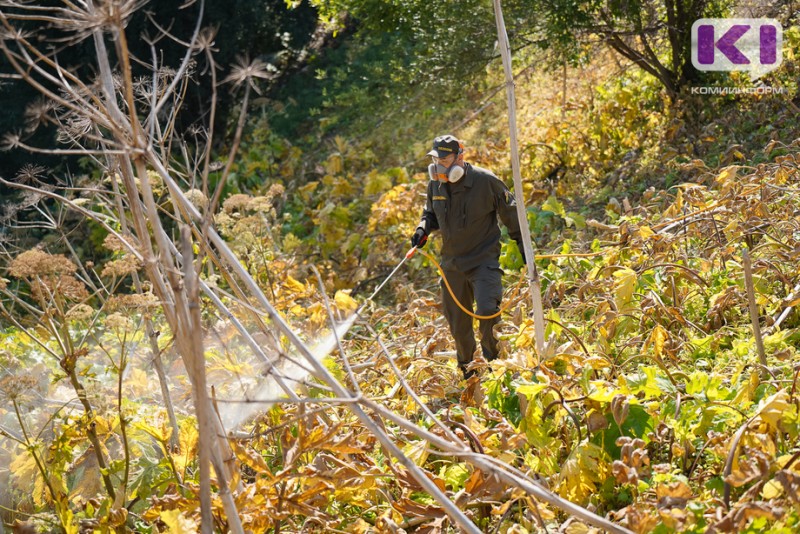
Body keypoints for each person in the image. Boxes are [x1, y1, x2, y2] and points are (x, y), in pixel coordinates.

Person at [411, 134, 525, 379]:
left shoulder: (486, 182)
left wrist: (525, 248)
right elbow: (429, 213)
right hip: (452, 265)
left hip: (483, 260)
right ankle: (469, 373)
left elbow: (512, 215)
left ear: (460, 157)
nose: (439, 165)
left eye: (444, 159)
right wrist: (422, 228)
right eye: (435, 160)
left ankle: (497, 369)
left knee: (487, 312)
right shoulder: (436, 185)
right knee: (458, 325)